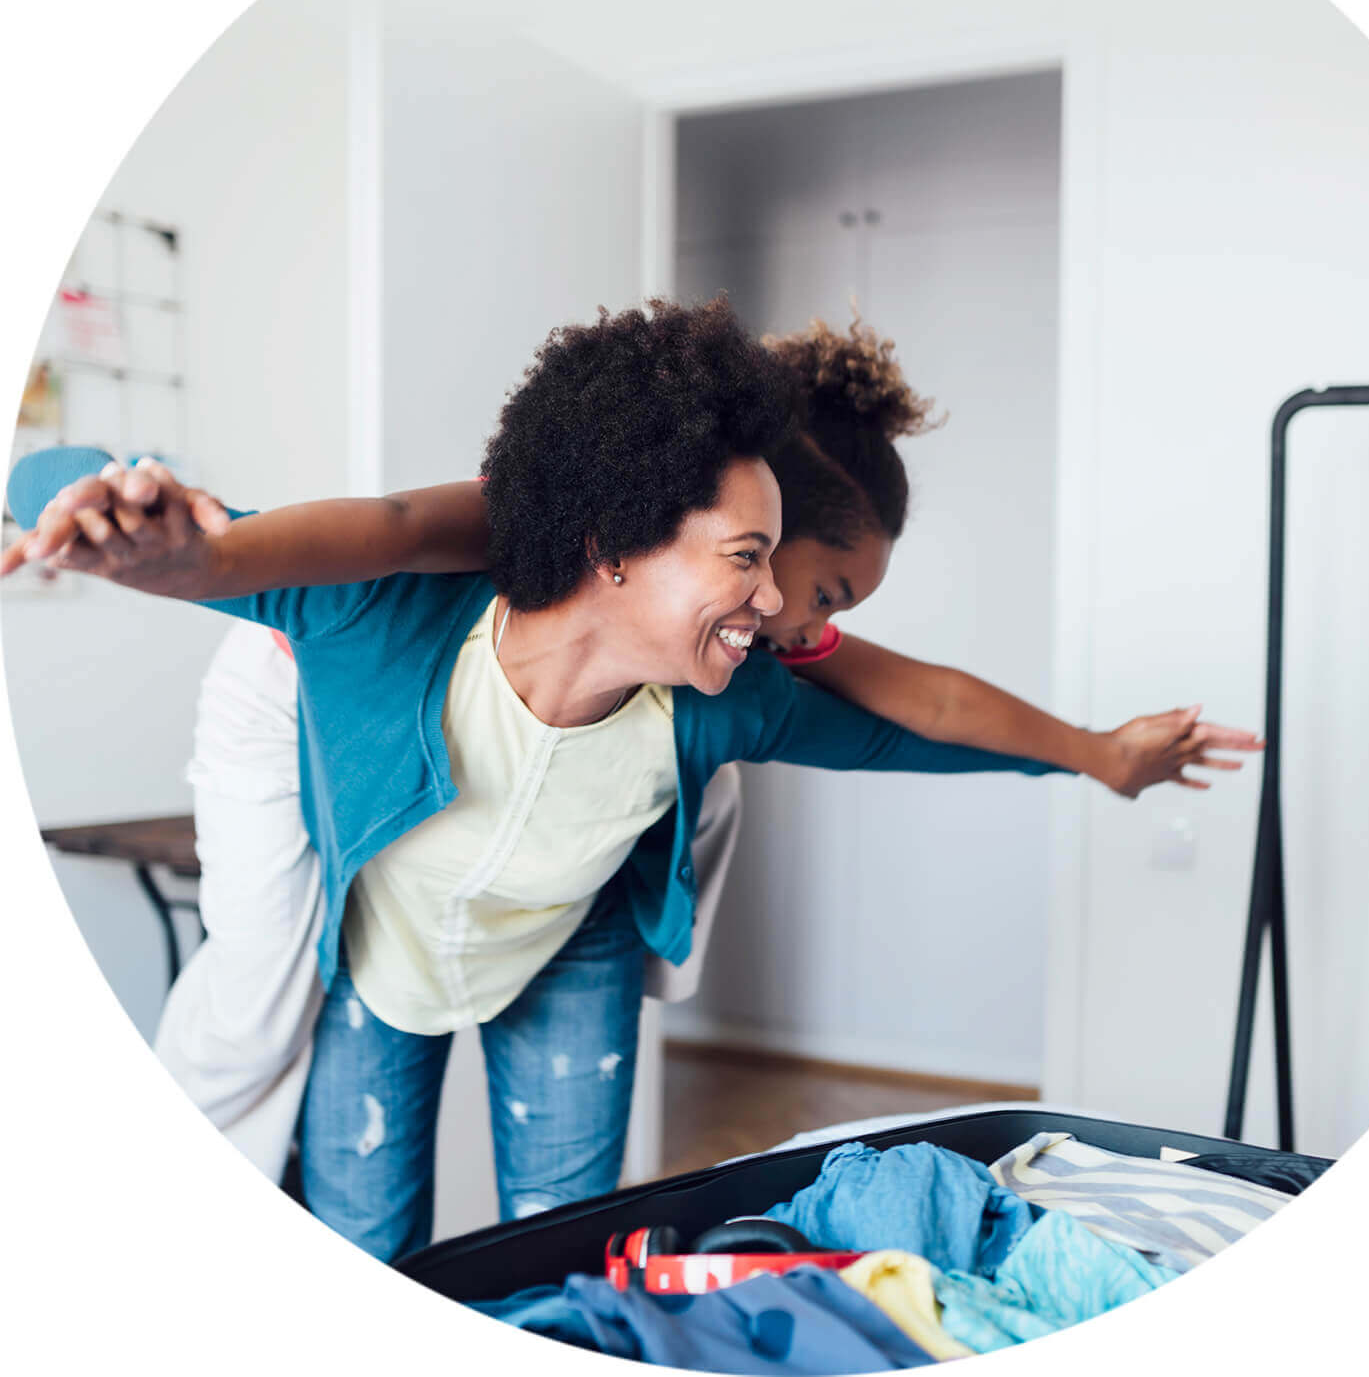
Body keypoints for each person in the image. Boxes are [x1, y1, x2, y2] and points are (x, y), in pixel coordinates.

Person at [9, 298, 1139, 1264]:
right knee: (348, 1220)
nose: (793, 621)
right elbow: (201, 537)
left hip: (566, 913)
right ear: (617, 540)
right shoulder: (388, 601)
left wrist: (1092, 753)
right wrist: (98, 515)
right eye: (753, 561)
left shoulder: (734, 686)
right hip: (375, 916)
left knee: (568, 1242)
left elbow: (907, 723)